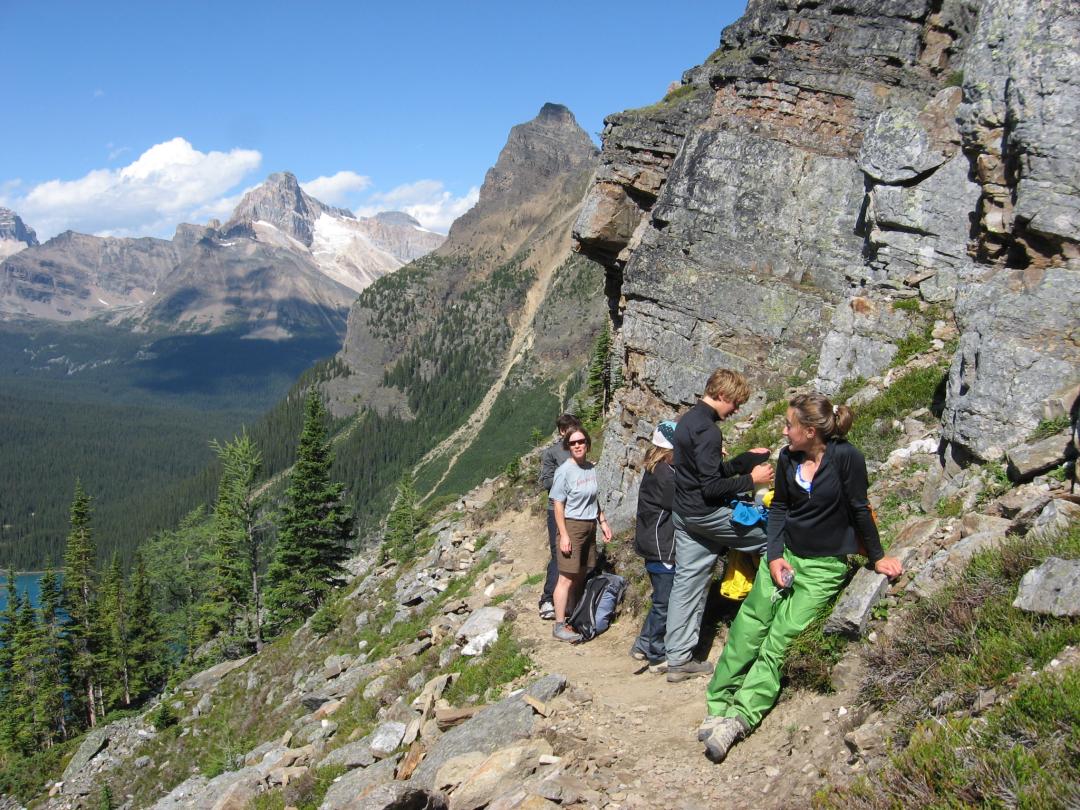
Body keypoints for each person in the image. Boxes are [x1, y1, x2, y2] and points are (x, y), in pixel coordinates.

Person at [698, 393, 904, 762]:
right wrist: (774, 557)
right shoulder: (788, 458)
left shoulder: (847, 459)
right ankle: (718, 703)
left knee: (781, 640)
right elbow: (779, 508)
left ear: (810, 431)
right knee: (749, 626)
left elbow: (859, 508)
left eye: (789, 425)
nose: (784, 431)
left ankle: (741, 717)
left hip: (825, 566)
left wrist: (877, 557)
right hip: (786, 555)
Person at [665, 369, 774, 682]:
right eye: (736, 403)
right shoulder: (710, 432)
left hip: (684, 515)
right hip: (706, 514)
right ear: (723, 395)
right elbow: (711, 488)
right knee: (773, 539)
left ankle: (678, 660)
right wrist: (751, 479)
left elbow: (705, 473)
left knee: (687, 584)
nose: (736, 409)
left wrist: (741, 461)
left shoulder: (687, 421)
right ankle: (767, 618)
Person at [550, 426, 612, 642]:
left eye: (581, 441)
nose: (577, 445)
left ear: (587, 443)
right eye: (573, 443)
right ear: (568, 446)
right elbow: (558, 505)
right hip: (573, 526)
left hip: (589, 525)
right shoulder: (564, 471)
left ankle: (573, 616)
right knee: (566, 578)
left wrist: (602, 521)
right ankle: (559, 625)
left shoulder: (590, 469)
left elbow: (594, 498)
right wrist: (564, 534)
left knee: (579, 575)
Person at [630, 420, 678, 672]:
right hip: (662, 546)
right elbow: (683, 502)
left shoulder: (656, 468)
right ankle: (657, 654)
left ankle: (642, 644)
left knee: (661, 599)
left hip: (652, 543)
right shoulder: (665, 477)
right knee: (664, 602)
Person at [537, 413, 582, 620]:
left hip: (579, 511)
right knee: (558, 555)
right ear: (562, 431)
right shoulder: (552, 453)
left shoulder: (579, 449)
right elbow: (546, 482)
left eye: (576, 427)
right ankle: (547, 599)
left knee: (575, 555)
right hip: (556, 510)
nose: (574, 432)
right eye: (569, 428)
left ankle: (571, 600)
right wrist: (567, 475)